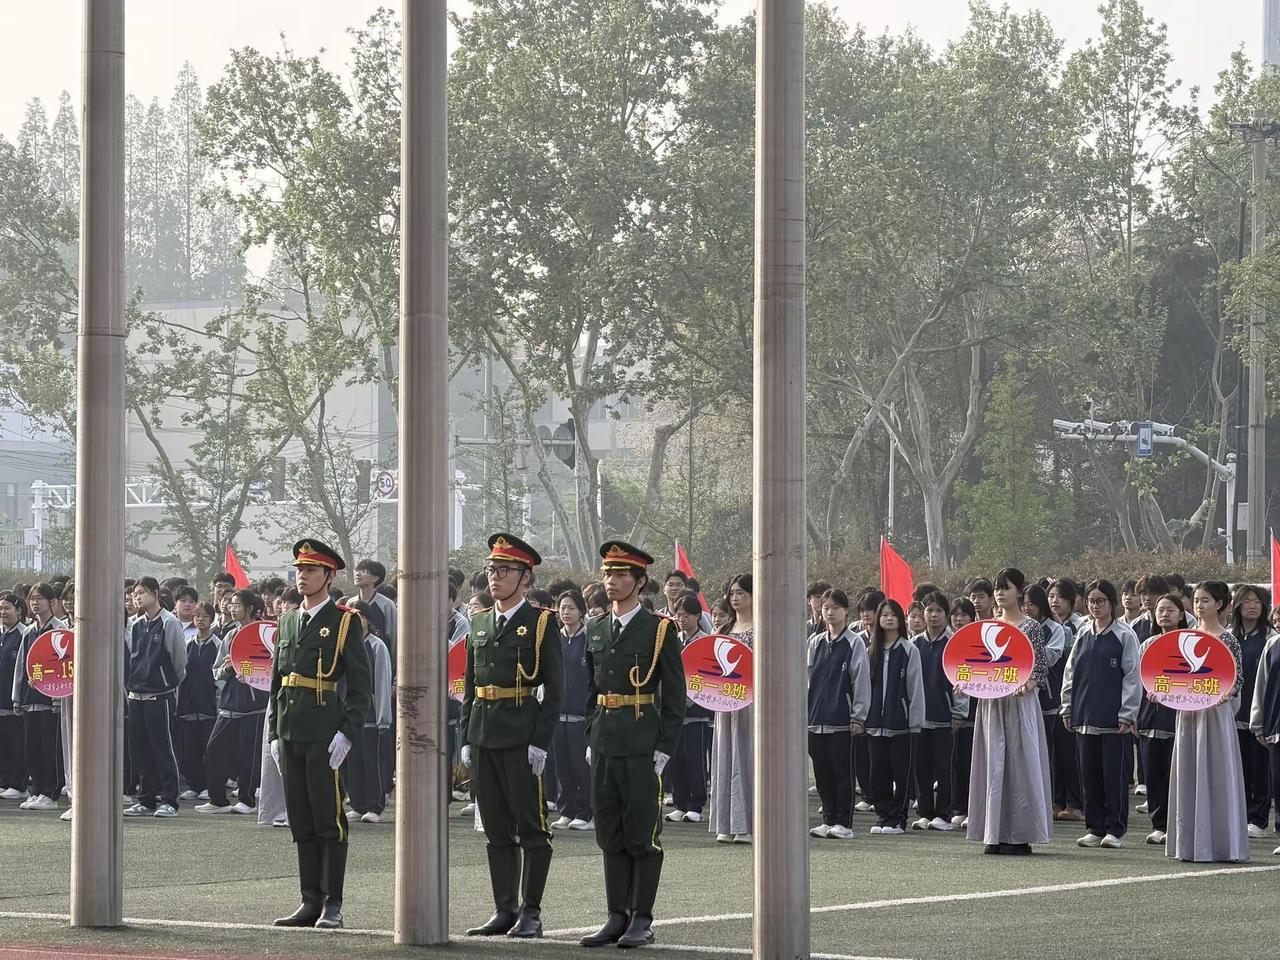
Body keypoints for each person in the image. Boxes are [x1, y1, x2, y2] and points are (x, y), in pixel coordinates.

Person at [579, 541, 686, 950]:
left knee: (642, 832)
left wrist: (665, 746)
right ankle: (615, 916)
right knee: (610, 830)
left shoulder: (659, 630)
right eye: (608, 573)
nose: (612, 581)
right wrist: (590, 734)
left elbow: (674, 694)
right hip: (605, 739)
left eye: (621, 574)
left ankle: (642, 918)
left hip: (642, 742)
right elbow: (591, 690)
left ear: (640, 582)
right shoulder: (595, 628)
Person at [459, 533, 562, 939]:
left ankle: (531, 912)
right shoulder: (480, 622)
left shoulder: (540, 623)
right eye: (491, 569)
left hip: (521, 734)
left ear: (526, 578)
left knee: (532, 827)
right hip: (484, 733)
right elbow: (470, 685)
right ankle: (505, 909)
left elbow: (555, 689)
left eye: (504, 570)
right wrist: (466, 736)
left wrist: (540, 740)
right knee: (496, 828)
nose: (495, 577)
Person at [269, 540, 372, 929]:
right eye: (299, 569)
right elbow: (278, 683)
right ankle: (309, 900)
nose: (302, 575)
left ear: (329, 576)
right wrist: (274, 733)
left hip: (325, 732)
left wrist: (347, 732)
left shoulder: (344, 621)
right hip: (291, 730)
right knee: (301, 818)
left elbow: (360, 687)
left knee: (329, 819)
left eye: (311, 570)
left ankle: (332, 903)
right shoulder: (287, 621)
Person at [967, 568, 1052, 855]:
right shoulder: (987, 626)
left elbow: (1040, 669)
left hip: (1019, 704)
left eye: (1006, 588)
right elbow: (975, 666)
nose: (1000, 593)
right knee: (992, 764)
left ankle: (1019, 835)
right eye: (997, 588)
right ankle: (993, 832)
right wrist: (964, 682)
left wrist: (1028, 685)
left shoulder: (1031, 627)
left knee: (1019, 763)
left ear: (1020, 592)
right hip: (992, 704)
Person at [1166, 580, 1248, 862]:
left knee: (1216, 772)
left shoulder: (1228, 639)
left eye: (1205, 600)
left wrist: (1227, 693)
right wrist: (1160, 693)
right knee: (1188, 772)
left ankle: (1221, 845)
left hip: (1215, 715)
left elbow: (1237, 680)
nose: (1199, 606)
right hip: (1188, 714)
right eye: (1197, 600)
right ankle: (1189, 845)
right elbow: (1170, 675)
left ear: (1220, 604)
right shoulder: (1184, 637)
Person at [1060, 579, 1141, 849]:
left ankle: (1115, 829)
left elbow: (1132, 676)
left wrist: (1127, 713)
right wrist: (1067, 706)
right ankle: (1095, 827)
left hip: (1113, 720)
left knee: (1114, 777)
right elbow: (1071, 672)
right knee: (1089, 775)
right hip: (1084, 717)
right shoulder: (1083, 633)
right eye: (1091, 601)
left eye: (1101, 601)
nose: (1095, 606)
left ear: (1111, 603)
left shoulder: (1124, 635)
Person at [197, 589, 268, 815]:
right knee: (214, 748)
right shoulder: (230, 635)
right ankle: (217, 799)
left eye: (237, 605)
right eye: (231, 604)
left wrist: (249, 671)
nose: (232, 608)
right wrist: (228, 668)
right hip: (229, 703)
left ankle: (247, 800)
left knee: (249, 755)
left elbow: (270, 667)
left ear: (250, 609)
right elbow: (216, 670)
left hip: (254, 705)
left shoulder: (263, 633)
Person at [807, 588, 869, 839]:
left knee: (842, 772)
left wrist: (858, 715)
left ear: (845, 611)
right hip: (816, 719)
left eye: (835, 608)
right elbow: (808, 680)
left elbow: (861, 681)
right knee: (821, 772)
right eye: (825, 608)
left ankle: (844, 822)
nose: (830, 612)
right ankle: (829, 818)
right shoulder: (815, 642)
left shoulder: (854, 643)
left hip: (842, 720)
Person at [123, 577, 187, 818]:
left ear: (156, 593)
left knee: (164, 749)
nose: (137, 597)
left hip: (160, 696)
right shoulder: (136, 625)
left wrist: (166, 683)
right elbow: (133, 657)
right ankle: (146, 800)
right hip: (136, 695)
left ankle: (170, 800)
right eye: (135, 594)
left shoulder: (170, 623)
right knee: (139, 751)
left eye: (142, 592)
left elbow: (179, 662)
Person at [864, 599, 924, 835]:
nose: (889, 619)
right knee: (877, 773)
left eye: (893, 615)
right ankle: (883, 816)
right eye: (884, 614)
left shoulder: (909, 650)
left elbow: (915, 688)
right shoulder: (870, 651)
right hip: (874, 724)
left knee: (901, 773)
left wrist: (915, 720)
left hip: (902, 724)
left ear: (900, 619)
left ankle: (898, 819)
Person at [912, 591, 964, 831]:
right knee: (920, 766)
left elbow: (962, 681)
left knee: (944, 768)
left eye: (939, 611)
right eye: (929, 610)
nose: (933, 615)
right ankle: (924, 811)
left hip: (945, 716)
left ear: (946, 614)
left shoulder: (954, 643)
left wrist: (958, 711)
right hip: (919, 717)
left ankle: (943, 813)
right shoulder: (915, 644)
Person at [710, 574, 755, 846]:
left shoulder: (762, 628)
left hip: (751, 704)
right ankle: (726, 823)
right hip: (724, 705)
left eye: (741, 593)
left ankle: (748, 824)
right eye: (732, 593)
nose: (735, 598)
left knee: (747, 758)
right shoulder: (724, 630)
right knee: (725, 758)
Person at [341, 599, 392, 824]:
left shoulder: (377, 646)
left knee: (373, 761)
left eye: (359, 614)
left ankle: (375, 805)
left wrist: (383, 718)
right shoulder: (345, 644)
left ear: (368, 619)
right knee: (352, 761)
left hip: (371, 714)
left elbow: (382, 682)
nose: (355, 617)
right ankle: (358, 803)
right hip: (349, 713)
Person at [1137, 594, 1183, 845]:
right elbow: (1138, 682)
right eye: (1160, 610)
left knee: (1178, 775)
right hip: (1150, 719)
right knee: (1154, 775)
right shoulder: (1148, 644)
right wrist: (1134, 714)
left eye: (1170, 610)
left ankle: (1179, 824)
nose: (1164, 614)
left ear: (1181, 615)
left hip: (1178, 720)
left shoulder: (1187, 642)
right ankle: (1159, 825)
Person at [1232, 584, 1274, 839]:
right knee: (1239, 770)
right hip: (1232, 716)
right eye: (1247, 601)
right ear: (1237, 606)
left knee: (1260, 770)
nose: (1252, 606)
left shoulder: (1269, 638)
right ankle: (1240, 816)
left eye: (1257, 601)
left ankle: (1258, 819)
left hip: (1260, 716)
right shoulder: (1229, 637)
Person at [668, 592, 713, 825]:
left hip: (697, 711)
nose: (682, 619)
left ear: (697, 616)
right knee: (676, 760)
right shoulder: (674, 639)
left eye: (686, 615)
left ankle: (696, 804)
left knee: (695, 760)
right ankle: (680, 803)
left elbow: (709, 676)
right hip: (675, 711)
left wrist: (693, 698)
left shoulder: (706, 642)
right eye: (678, 614)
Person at [551, 590, 593, 830]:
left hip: (581, 716)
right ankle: (566, 810)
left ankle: (585, 813)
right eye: (562, 608)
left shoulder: (588, 640)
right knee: (563, 767)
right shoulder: (554, 639)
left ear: (581, 611)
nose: (566, 612)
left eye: (571, 608)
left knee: (582, 767)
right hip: (558, 715)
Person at [177, 601, 219, 803]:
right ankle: (194, 785)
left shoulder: (217, 645)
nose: (200, 619)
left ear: (212, 619)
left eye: (205, 616)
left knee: (209, 750)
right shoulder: (188, 644)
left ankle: (208, 786)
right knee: (190, 749)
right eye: (197, 616)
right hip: (188, 704)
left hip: (209, 705)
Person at [1249, 606, 1280, 855]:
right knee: (1277, 784)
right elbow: (1262, 686)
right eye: (1276, 619)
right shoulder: (1273, 645)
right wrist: (1258, 722)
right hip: (1276, 728)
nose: (1278, 623)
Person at [948, 596, 978, 826]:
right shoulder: (948, 642)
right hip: (952, 713)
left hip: (976, 711)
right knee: (956, 763)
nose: (959, 619)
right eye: (955, 615)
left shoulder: (979, 642)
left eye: (964, 615)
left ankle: (974, 810)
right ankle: (958, 807)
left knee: (974, 763)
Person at [0, 593, 30, 801]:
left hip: (14, 700)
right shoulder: (2, 634)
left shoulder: (23, 633)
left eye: (7, 608)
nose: (3, 612)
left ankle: (18, 784)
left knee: (16, 743)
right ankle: (4, 781)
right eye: (0, 609)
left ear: (18, 611)